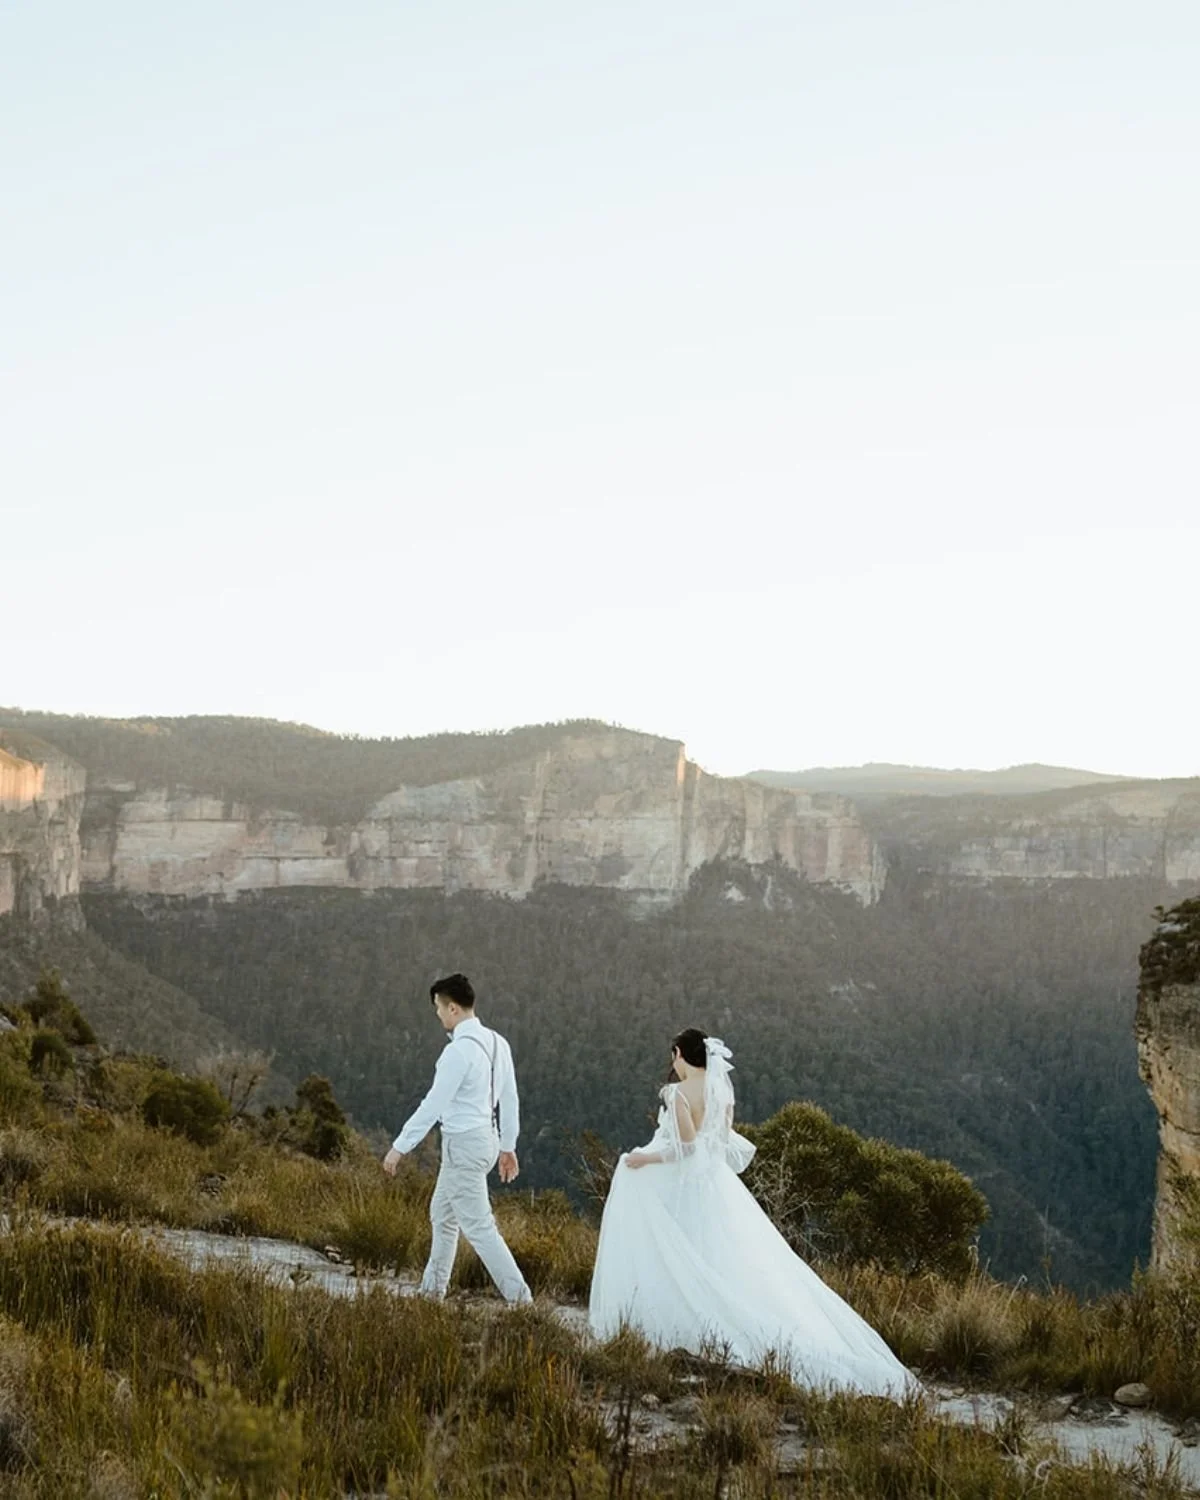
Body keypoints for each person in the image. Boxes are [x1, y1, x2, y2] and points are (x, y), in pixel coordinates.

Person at [588, 1028, 918, 1397]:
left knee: (673, 1242)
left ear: (680, 1053)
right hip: (717, 1186)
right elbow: (718, 1144)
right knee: (725, 1262)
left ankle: (685, 1328)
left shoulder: (678, 1093)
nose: (673, 1065)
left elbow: (685, 1148)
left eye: (673, 1057)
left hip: (688, 1187)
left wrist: (642, 1158)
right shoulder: (720, 1092)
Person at [382, 973, 531, 1304]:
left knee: (479, 1228)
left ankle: (522, 1301)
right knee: (443, 1214)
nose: (436, 1014)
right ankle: (431, 1294)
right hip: (487, 1140)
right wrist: (508, 1146)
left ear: (452, 1008)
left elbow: (433, 1105)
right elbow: (510, 1099)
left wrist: (398, 1148)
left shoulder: (457, 1053)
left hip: (463, 1145)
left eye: (437, 1007)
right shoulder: (498, 1043)